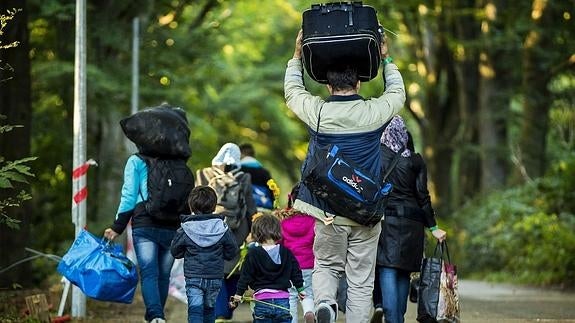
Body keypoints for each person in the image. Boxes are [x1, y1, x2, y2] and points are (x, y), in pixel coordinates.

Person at [284, 29, 406, 323]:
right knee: (361, 280)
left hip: (327, 210)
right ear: (359, 82)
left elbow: (293, 92)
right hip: (365, 210)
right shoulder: (374, 112)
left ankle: (325, 303)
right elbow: (397, 93)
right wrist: (386, 56)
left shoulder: (319, 112)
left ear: (327, 85)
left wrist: (297, 56)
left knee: (326, 265)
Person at [373, 116, 447, 323]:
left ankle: (392, 317)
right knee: (404, 270)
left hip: (387, 221)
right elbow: (423, 196)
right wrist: (433, 227)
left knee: (387, 267)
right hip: (413, 224)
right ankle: (398, 318)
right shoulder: (416, 160)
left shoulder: (376, 156)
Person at [195, 142, 258, 323]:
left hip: (211, 227)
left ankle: (221, 312)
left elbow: (195, 202)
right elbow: (250, 205)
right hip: (238, 229)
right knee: (234, 270)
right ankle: (225, 311)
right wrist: (254, 228)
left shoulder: (203, 174)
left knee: (216, 269)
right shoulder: (243, 176)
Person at [170, 185, 239, 323]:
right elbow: (232, 252)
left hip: (193, 276)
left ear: (191, 206)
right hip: (215, 276)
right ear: (214, 207)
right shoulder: (222, 228)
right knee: (209, 309)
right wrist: (220, 255)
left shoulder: (185, 229)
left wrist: (187, 251)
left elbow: (175, 252)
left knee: (195, 309)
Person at [230, 213, 306, 323]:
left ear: (256, 233)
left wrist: (238, 294)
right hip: (282, 302)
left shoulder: (253, 254)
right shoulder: (286, 252)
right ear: (278, 230)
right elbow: (296, 273)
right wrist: (300, 289)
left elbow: (245, 277)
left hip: (262, 301)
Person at [274, 184, 315, 323]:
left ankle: (292, 321)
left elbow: (278, 243)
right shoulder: (313, 221)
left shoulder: (283, 221)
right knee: (307, 293)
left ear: (291, 199)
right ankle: (309, 311)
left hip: (289, 266)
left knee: (290, 295)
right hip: (309, 264)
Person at [239, 143, 277, 211]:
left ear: (241, 154)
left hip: (244, 208)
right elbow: (271, 191)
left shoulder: (238, 170)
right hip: (263, 206)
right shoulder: (264, 172)